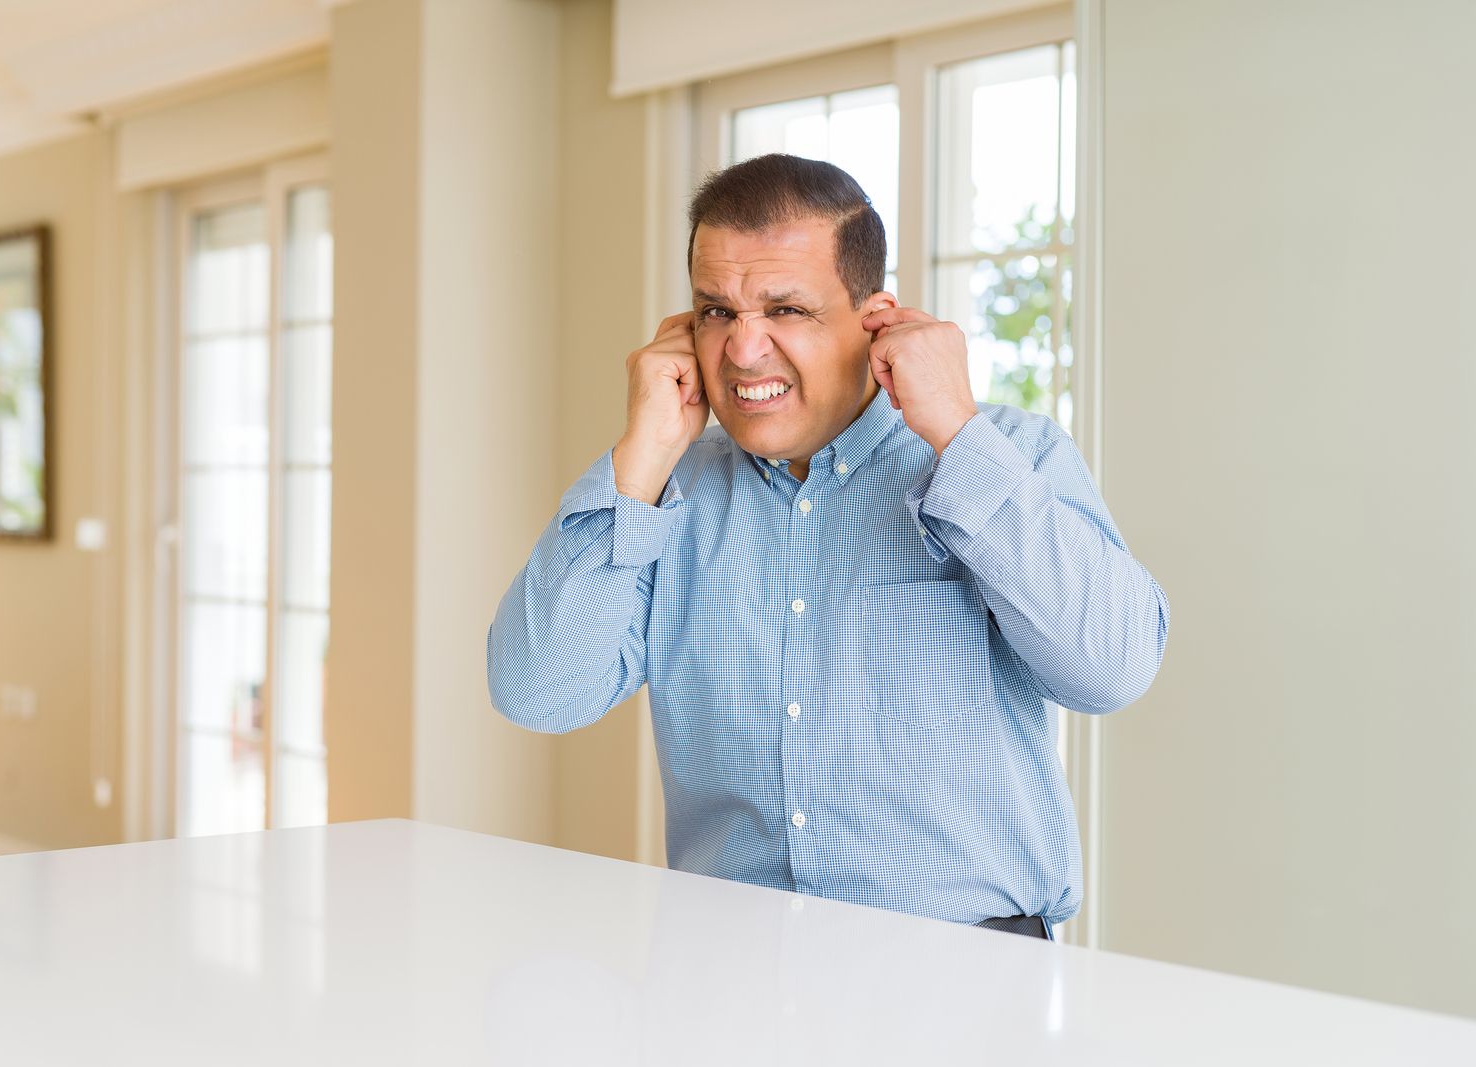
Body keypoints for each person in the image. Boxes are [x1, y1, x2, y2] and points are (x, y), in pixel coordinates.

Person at [487, 153, 1170, 941]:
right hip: (727, 976)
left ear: (877, 319)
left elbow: (1112, 668)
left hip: (968, 986)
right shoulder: (672, 492)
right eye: (716, 311)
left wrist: (957, 432)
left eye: (786, 310)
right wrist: (640, 454)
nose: (743, 351)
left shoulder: (1008, 457)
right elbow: (536, 691)